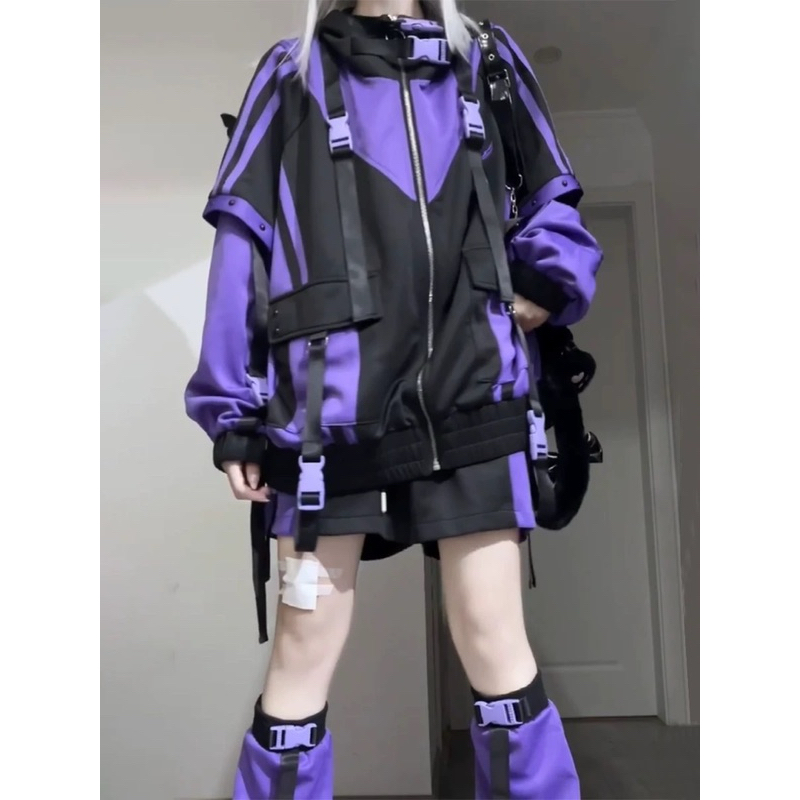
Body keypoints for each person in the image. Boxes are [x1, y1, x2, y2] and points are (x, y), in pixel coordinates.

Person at [185, 1, 603, 797]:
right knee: (302, 655)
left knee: (497, 645)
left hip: (475, 398)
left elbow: (553, 196)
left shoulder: (486, 59)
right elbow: (241, 241)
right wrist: (233, 409)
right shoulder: (291, 73)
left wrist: (547, 279)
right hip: (328, 418)